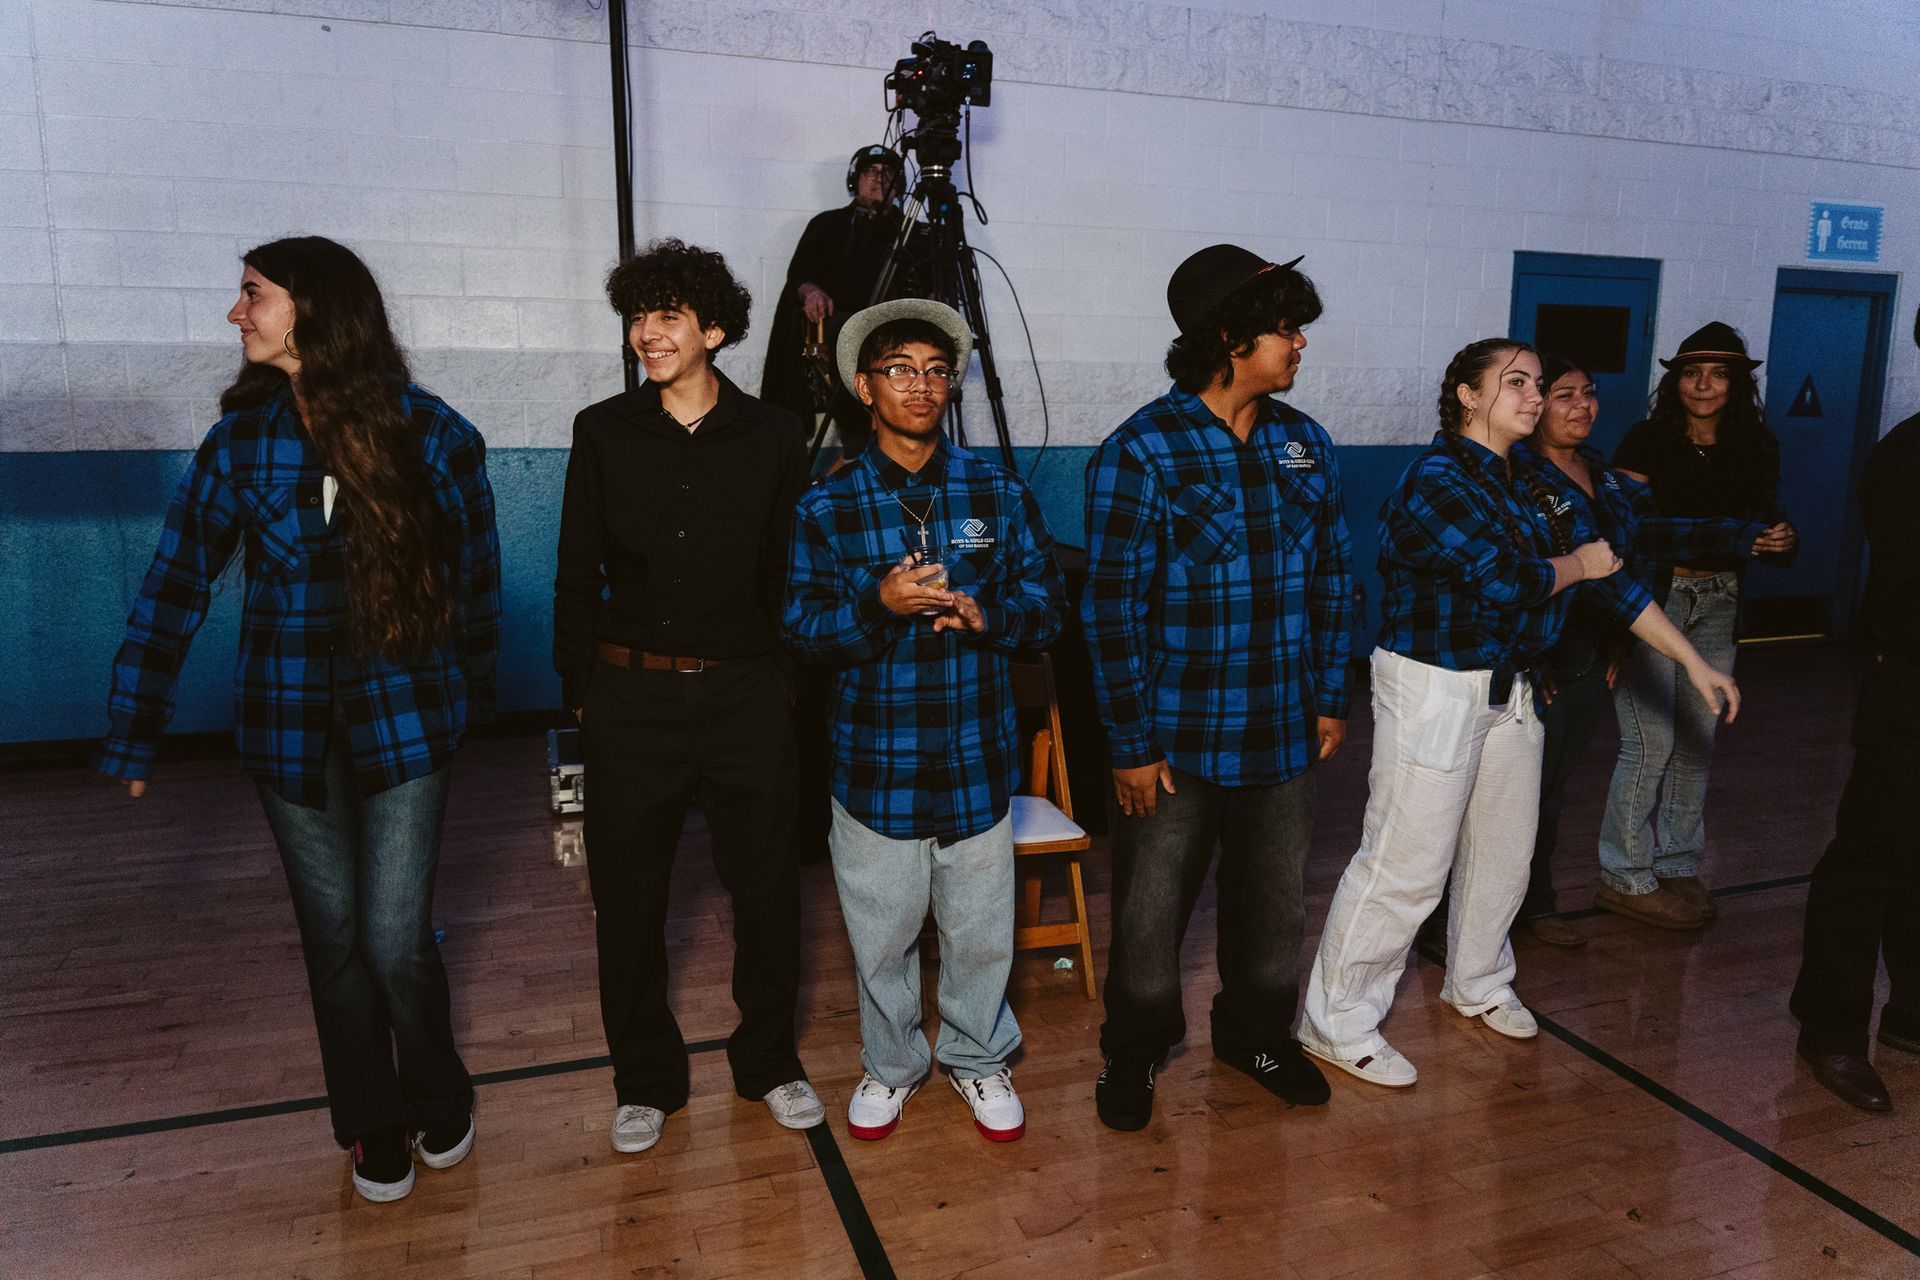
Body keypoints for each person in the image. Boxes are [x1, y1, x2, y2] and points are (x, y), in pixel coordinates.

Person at [96, 236, 500, 1203]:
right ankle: (371, 1122)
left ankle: (439, 1092)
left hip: (406, 723)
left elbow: (477, 590)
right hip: (286, 727)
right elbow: (174, 584)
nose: (236, 314)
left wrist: (467, 714)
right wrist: (135, 724)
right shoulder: (240, 443)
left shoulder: (435, 434)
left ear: (314, 309)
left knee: (396, 939)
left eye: (253, 295)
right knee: (337, 942)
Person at [1299, 339, 1740, 1089]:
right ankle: (1335, 1020)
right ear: (1468, 396)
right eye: (1516, 383)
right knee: (1407, 864)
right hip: (1435, 686)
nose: (1535, 396)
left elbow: (1613, 580)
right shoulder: (1435, 480)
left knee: (1506, 852)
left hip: (1515, 685)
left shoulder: (1534, 479)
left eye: (1538, 384)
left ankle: (1478, 980)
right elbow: (1505, 579)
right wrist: (1580, 565)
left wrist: (1692, 661)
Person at [553, 238, 821, 1155]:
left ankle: (770, 1063)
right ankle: (645, 1081)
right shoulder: (602, 430)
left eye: (666, 315)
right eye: (637, 316)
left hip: (748, 696)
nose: (646, 333)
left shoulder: (776, 435)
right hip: (630, 698)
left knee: (769, 893)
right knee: (628, 900)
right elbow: (574, 572)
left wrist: (782, 683)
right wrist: (582, 691)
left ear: (714, 330)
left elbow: (790, 571)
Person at [1080, 245, 1354, 1132]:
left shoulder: (1305, 445)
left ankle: (1255, 1037)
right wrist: (1129, 745)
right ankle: (1134, 1048)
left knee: (1274, 908)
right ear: (1231, 339)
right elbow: (1110, 612)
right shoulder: (1142, 450)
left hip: (1284, 728)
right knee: (1151, 912)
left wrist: (1329, 697)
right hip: (1175, 739)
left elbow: (1334, 580)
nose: (1300, 342)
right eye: (1285, 328)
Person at [784, 298, 1065, 1143]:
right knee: (882, 938)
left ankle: (979, 1058)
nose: (921, 385)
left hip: (977, 756)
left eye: (937, 371)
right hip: (876, 764)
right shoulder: (825, 506)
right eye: (900, 369)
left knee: (980, 932)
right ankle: (892, 1064)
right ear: (864, 387)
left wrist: (990, 616)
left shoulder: (997, 492)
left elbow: (1049, 608)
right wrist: (878, 603)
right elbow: (802, 633)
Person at [1511, 355, 1784, 942]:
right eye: (1564, 395)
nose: (1582, 406)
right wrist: (1528, 656)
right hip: (1540, 660)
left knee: (1551, 788)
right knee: (1516, 792)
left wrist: (1741, 536)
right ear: (1534, 405)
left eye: (1589, 392)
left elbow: (1643, 542)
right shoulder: (1517, 475)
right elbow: (1517, 575)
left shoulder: (1601, 474)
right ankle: (1474, 917)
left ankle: (1534, 905)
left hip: (1589, 653)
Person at [1601, 323, 1796, 925]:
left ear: (1737, 385)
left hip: (1721, 599)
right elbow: (1634, 532)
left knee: (1697, 739)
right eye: (1691, 373)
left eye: (1718, 374)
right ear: (1674, 381)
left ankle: (1678, 864)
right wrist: (1735, 534)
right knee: (1650, 743)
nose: (1703, 385)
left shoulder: (1756, 444)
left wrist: (1780, 538)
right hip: (1654, 603)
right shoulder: (1645, 440)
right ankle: (1624, 875)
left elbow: (1763, 518)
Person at [1789, 306, 1920, 1112]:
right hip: (1908, 694)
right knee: (1869, 865)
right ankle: (1830, 1030)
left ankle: (1911, 1015)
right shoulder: (1905, 457)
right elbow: (1905, 599)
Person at [761, 145, 917, 460]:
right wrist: (812, 292)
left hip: (895, 327)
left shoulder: (911, 232)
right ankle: (856, 441)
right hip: (842, 324)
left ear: (899, 185)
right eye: (870, 172)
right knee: (850, 333)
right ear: (854, 181)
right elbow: (799, 276)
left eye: (887, 173)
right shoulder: (827, 224)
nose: (878, 179)